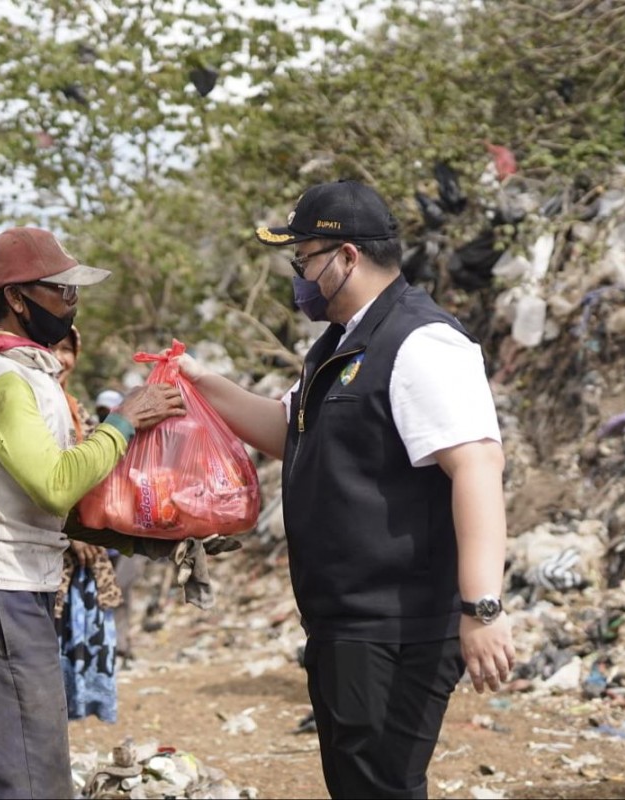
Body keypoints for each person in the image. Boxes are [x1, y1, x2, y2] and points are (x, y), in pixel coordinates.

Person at [181, 180, 514, 799]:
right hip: (344, 620)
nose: (298, 275)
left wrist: (482, 606)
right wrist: (198, 382)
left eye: (303, 257)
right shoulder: (337, 346)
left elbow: (476, 464)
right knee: (357, 782)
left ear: (347, 257)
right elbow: (289, 431)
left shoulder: (420, 342)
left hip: (397, 621)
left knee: (381, 785)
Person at [0, 226, 184, 798]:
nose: (72, 304)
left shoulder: (22, 370)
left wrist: (151, 537)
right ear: (17, 298)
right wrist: (125, 420)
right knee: (28, 780)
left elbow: (53, 500)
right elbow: (53, 486)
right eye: (61, 291)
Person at [51, 325, 122, 722]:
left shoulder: (75, 407)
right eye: (54, 347)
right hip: (53, 556)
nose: (62, 358)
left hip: (87, 559)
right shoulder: (38, 407)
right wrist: (71, 533)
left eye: (68, 349)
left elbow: (97, 477)